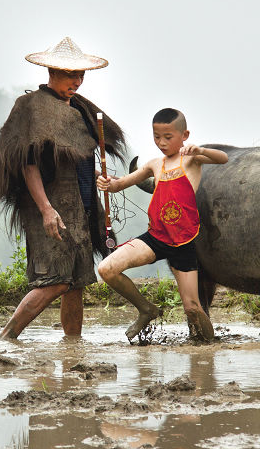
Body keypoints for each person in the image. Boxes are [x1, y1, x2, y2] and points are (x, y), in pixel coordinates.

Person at [0, 37, 126, 340]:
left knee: (75, 282)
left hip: (80, 204)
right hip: (51, 205)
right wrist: (46, 210)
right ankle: (4, 340)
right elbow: (28, 164)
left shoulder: (80, 109)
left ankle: (73, 347)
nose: (76, 81)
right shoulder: (31, 107)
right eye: (70, 74)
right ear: (51, 71)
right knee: (55, 280)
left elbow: (71, 158)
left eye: (81, 75)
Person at [96, 108, 228, 342]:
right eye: (157, 137)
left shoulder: (192, 159)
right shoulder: (154, 165)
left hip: (183, 243)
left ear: (184, 135)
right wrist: (106, 183)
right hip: (155, 238)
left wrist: (200, 150)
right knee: (107, 269)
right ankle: (146, 309)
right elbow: (120, 185)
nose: (162, 143)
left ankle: (209, 348)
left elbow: (222, 158)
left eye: (168, 137)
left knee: (193, 309)